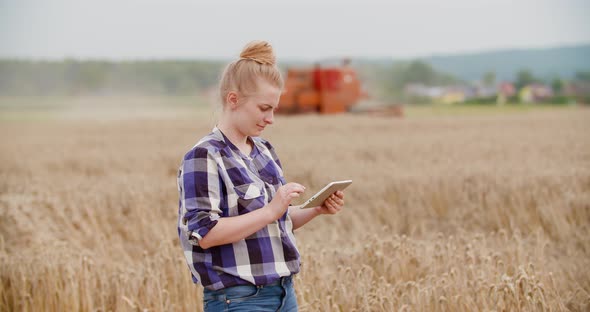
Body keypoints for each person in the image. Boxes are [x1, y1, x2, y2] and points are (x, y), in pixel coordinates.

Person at [177, 40, 346, 312]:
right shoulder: (204, 156)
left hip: (283, 293)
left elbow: (276, 220)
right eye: (264, 108)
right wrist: (271, 210)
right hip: (239, 300)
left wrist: (315, 209)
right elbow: (205, 233)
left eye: (274, 110)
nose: (271, 119)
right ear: (233, 99)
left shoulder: (264, 151)